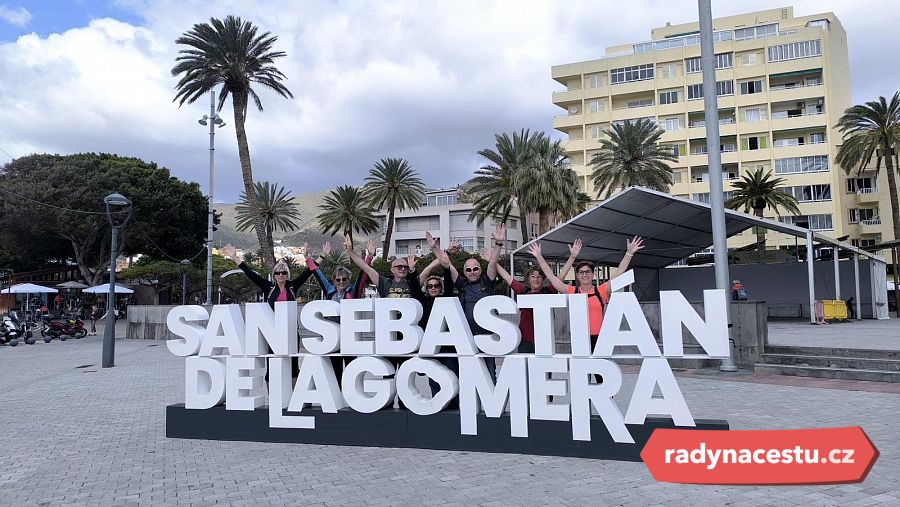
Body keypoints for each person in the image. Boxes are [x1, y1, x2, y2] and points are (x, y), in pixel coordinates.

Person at [529, 236, 644, 357]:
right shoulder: (573, 292)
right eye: (581, 272)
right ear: (577, 276)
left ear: (593, 274)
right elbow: (552, 277)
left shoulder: (601, 291)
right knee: (581, 369)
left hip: (600, 338)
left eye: (588, 271)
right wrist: (539, 256)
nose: (585, 274)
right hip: (579, 338)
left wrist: (629, 254)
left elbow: (619, 273)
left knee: (600, 367)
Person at [440, 223, 505, 380]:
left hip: (487, 337)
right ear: (464, 272)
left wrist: (498, 244)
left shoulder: (487, 282)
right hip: (467, 337)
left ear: (480, 270)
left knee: (490, 373)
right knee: (468, 375)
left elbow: (492, 263)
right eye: (468, 270)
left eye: (475, 268)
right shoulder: (462, 284)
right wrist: (440, 249)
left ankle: (492, 397)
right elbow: (446, 263)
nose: (472, 272)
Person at [492, 239, 581, 353]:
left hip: (544, 339)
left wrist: (572, 257)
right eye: (533, 276)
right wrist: (492, 261)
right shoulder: (523, 291)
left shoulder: (549, 291)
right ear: (529, 279)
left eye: (539, 277)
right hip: (525, 340)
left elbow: (562, 276)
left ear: (543, 279)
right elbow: (506, 276)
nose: (536, 279)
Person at [307, 240, 374, 380]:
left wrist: (369, 256)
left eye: (344, 279)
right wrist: (309, 258)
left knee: (351, 371)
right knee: (335, 372)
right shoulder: (330, 291)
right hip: (333, 337)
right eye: (338, 280)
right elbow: (317, 273)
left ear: (348, 279)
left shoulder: (353, 292)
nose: (341, 282)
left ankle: (351, 392)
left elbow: (363, 275)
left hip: (349, 337)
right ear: (334, 281)